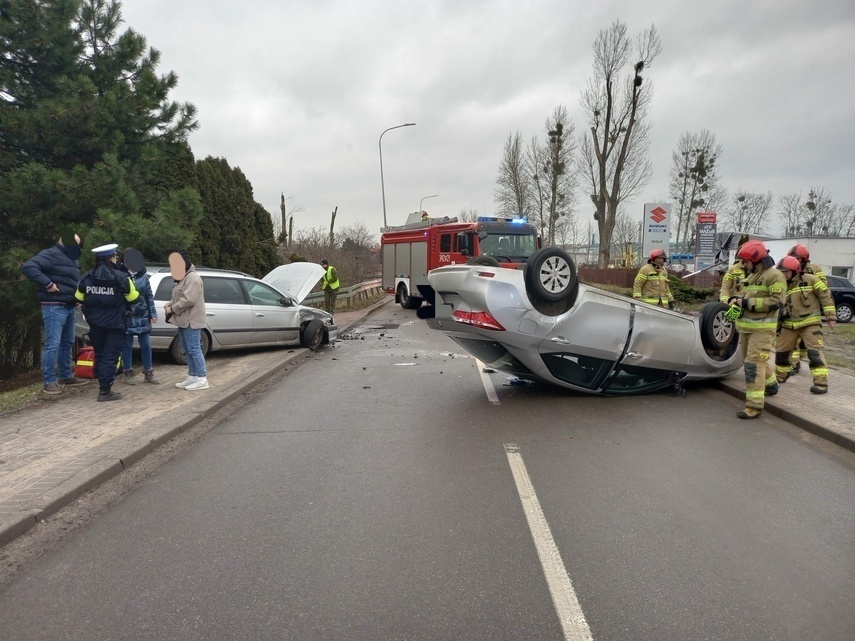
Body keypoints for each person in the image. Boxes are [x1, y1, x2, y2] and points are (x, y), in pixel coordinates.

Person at [21, 231, 91, 394]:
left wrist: (77, 298)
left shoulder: (71, 259)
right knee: (52, 344)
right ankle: (49, 381)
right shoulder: (50, 254)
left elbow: (72, 281)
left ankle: (66, 376)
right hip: (54, 306)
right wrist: (48, 284)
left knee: (67, 343)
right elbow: (29, 267)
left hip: (69, 306)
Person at [75, 244, 139, 401]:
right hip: (115, 324)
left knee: (100, 353)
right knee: (110, 356)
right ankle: (105, 391)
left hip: (95, 324)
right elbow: (134, 298)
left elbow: (78, 298)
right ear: (111, 258)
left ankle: (102, 384)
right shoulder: (121, 277)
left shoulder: (87, 277)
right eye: (115, 257)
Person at [730, 240, 786, 419]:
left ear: (756, 260)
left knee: (753, 365)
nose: (743, 265)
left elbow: (777, 302)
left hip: (762, 329)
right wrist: (735, 300)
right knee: (754, 362)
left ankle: (754, 407)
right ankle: (771, 385)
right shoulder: (753, 275)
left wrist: (747, 303)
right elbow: (746, 297)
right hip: (747, 328)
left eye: (745, 261)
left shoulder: (775, 275)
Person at [774, 255, 836, 394]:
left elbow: (825, 296)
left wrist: (831, 316)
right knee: (781, 354)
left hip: (810, 324)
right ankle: (780, 377)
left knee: (814, 353)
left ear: (795, 271)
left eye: (786, 271)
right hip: (788, 325)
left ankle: (821, 384)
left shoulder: (811, 280)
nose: (783, 274)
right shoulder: (780, 285)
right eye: (781, 272)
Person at [164, 251, 209, 391]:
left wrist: (173, 308)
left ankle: (202, 378)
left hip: (192, 320)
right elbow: (179, 296)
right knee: (186, 349)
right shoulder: (182, 278)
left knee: (194, 348)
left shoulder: (193, 278)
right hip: (183, 320)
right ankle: (193, 376)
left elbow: (189, 299)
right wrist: (170, 303)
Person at [786, 244, 827, 374]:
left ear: (804, 259)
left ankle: (802, 361)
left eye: (797, 258)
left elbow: (823, 288)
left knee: (807, 344)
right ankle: (794, 364)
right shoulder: (789, 269)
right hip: (794, 312)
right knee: (792, 343)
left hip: (810, 312)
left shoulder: (815, 269)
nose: (794, 260)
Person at [120, 251, 159, 385]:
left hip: (142, 315)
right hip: (127, 315)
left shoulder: (144, 277)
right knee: (126, 346)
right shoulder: (121, 276)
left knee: (146, 345)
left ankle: (148, 372)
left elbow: (149, 296)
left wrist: (153, 314)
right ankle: (128, 372)